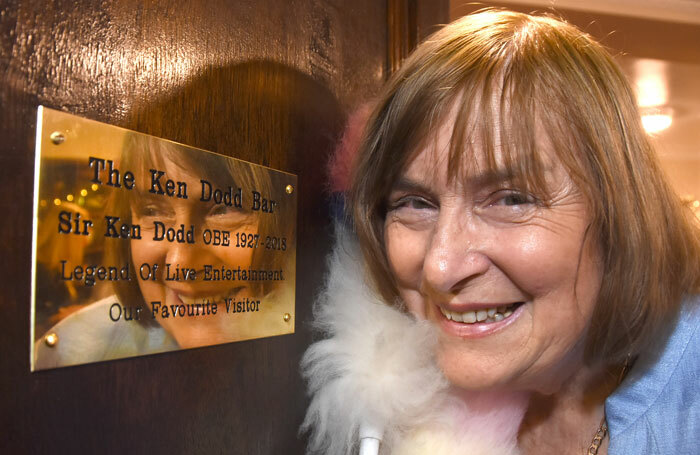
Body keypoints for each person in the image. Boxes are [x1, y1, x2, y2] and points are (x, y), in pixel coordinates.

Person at [301, 9, 700, 455]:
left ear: (619, 214)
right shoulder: (411, 402)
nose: (440, 266)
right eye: (414, 203)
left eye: (510, 199)